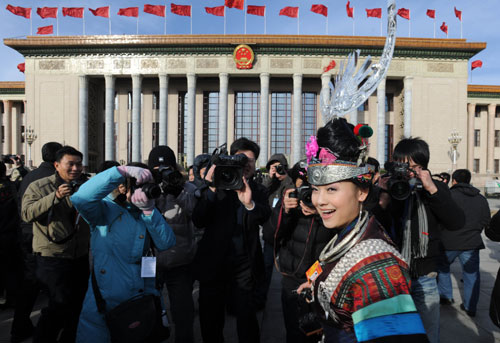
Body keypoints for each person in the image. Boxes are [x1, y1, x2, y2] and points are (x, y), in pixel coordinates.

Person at [297, 118, 428, 343]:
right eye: (316, 190)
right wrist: (318, 284)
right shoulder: (349, 231)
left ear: (362, 192)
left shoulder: (377, 269)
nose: (319, 201)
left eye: (332, 189)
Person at [70, 163, 176, 342]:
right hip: (106, 300)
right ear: (122, 186)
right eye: (139, 185)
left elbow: (166, 243)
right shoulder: (104, 209)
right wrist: (121, 171)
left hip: (143, 297)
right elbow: (81, 198)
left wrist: (149, 211)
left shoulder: (148, 210)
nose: (145, 190)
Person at [377, 138, 465, 343]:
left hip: (425, 276)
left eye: (413, 167)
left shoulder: (434, 189)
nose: (408, 173)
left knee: (427, 335)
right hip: (391, 276)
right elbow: (376, 228)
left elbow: (456, 222)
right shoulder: (390, 188)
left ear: (423, 167)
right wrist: (382, 198)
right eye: (402, 166)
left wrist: (432, 189)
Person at [192, 137, 271, 343]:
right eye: (241, 159)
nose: (246, 164)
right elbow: (199, 220)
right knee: (210, 322)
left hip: (245, 267)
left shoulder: (259, 190)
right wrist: (210, 187)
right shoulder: (217, 186)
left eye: (250, 160)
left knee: (247, 321)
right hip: (213, 265)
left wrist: (249, 203)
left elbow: (265, 218)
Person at [21, 146, 90, 343]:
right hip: (52, 258)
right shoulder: (39, 186)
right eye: (71, 164)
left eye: (79, 164)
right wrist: (56, 197)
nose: (76, 168)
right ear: (57, 165)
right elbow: (27, 213)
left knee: (77, 307)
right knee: (57, 307)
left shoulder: (85, 187)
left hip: (79, 256)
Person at [263, 161, 336, 343]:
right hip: (292, 277)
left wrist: (322, 213)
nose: (309, 193)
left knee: (321, 332)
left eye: (314, 187)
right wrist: (286, 211)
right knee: (294, 331)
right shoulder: (288, 200)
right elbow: (269, 235)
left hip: (323, 279)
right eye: (302, 184)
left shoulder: (330, 204)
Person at [11, 142, 63, 343]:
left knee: (30, 284)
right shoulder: (52, 179)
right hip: (43, 236)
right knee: (50, 286)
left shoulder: (28, 176)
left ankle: (20, 326)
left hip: (25, 234)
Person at [148, 146, 198, 343]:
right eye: (157, 169)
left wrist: (176, 191)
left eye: (166, 168)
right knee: (148, 309)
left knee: (183, 312)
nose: (161, 173)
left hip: (180, 260)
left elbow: (198, 214)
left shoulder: (187, 188)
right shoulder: (144, 186)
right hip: (150, 262)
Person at [437, 169, 490, 317]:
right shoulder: (481, 198)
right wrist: (474, 231)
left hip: (448, 242)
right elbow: (486, 220)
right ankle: (470, 306)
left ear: (454, 181)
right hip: (471, 242)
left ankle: (446, 296)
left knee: (442, 268)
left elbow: (439, 218)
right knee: (471, 274)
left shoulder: (448, 196)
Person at [257, 154, 294, 309]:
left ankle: (291, 299)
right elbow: (261, 194)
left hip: (286, 233)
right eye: (274, 167)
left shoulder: (288, 182)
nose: (277, 170)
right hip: (271, 231)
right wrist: (269, 178)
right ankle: (261, 298)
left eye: (279, 166)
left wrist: (284, 176)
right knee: (266, 266)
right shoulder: (269, 184)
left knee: (287, 267)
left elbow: (292, 190)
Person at [0, 161, 22, 311]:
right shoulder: (13, 187)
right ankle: (11, 299)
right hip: (11, 234)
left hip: (6, 233)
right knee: (11, 270)